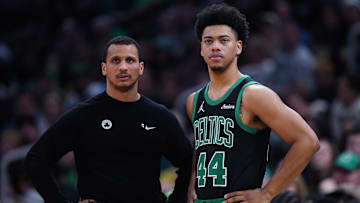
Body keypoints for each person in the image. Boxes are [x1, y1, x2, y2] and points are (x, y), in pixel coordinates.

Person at [25, 36, 193, 203]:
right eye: (115, 60)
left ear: (140, 68)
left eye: (130, 60)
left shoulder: (159, 116)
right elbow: (36, 159)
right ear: (104, 68)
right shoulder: (84, 115)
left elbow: (188, 162)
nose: (123, 67)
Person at [186, 4, 320, 203]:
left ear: (238, 47)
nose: (215, 46)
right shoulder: (193, 100)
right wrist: (191, 188)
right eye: (209, 41)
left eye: (224, 40)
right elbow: (203, 149)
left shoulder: (254, 95)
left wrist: (267, 193)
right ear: (202, 49)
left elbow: (308, 141)